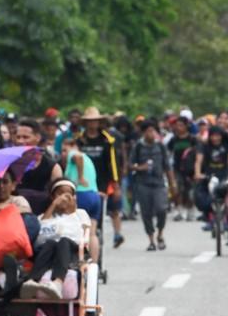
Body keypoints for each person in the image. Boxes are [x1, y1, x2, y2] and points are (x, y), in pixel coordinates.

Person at [21, 180, 97, 300]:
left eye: (68, 194)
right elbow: (41, 234)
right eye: (60, 194)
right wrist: (53, 206)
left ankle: (58, 282)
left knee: (63, 241)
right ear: (52, 197)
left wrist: (72, 212)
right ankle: (31, 281)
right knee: (50, 243)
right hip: (48, 251)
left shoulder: (80, 214)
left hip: (72, 250)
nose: (63, 198)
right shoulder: (43, 216)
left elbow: (83, 233)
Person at [75, 107, 123, 247]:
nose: (92, 124)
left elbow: (113, 163)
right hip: (83, 181)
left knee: (101, 214)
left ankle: (101, 239)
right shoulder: (80, 140)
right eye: (89, 121)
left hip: (102, 181)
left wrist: (115, 184)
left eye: (95, 121)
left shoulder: (107, 140)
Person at [193, 126, 228, 247]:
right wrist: (198, 174)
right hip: (208, 177)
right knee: (201, 198)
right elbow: (198, 161)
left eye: (218, 135)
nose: (215, 138)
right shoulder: (203, 146)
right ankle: (210, 218)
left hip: (224, 178)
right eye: (213, 135)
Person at [129, 120, 170, 251]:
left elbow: (167, 166)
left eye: (153, 131)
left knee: (161, 209)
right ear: (143, 133)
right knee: (146, 213)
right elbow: (130, 165)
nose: (151, 134)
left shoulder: (161, 146)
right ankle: (151, 240)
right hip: (143, 183)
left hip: (159, 183)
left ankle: (161, 234)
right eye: (148, 131)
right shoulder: (138, 147)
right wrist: (141, 167)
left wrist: (173, 184)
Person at [167, 115, 198, 222]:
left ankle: (190, 211)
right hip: (177, 169)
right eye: (177, 125)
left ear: (186, 126)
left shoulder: (193, 139)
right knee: (177, 189)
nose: (178, 127)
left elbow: (198, 154)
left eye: (181, 125)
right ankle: (178, 210)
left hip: (190, 169)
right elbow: (168, 152)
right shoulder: (173, 140)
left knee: (190, 191)